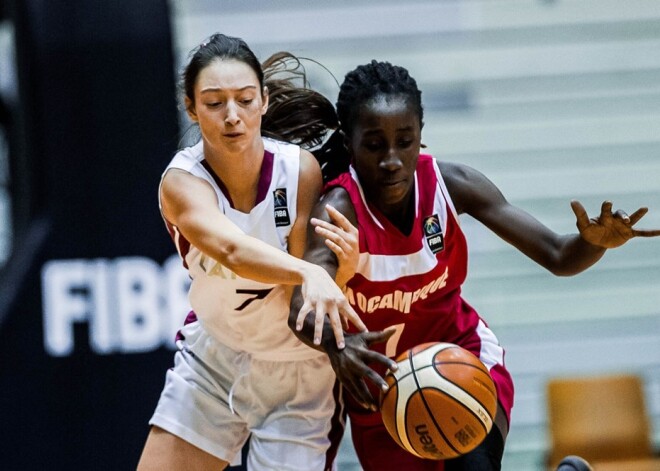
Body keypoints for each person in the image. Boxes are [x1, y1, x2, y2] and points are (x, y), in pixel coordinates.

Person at [288, 59, 660, 470]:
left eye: (405, 141)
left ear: (420, 137)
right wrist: (337, 348)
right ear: (350, 142)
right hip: (381, 387)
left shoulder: (453, 186)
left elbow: (557, 255)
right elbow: (301, 307)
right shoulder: (338, 211)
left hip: (461, 356)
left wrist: (593, 244)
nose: (392, 159)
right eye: (375, 145)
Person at [136, 33, 368, 471]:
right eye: (214, 102)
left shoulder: (299, 170)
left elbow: (303, 299)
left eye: (244, 99)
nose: (232, 116)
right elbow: (229, 247)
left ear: (263, 100)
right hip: (215, 357)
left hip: (295, 371)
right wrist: (308, 271)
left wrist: (340, 272)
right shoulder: (181, 181)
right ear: (190, 107)